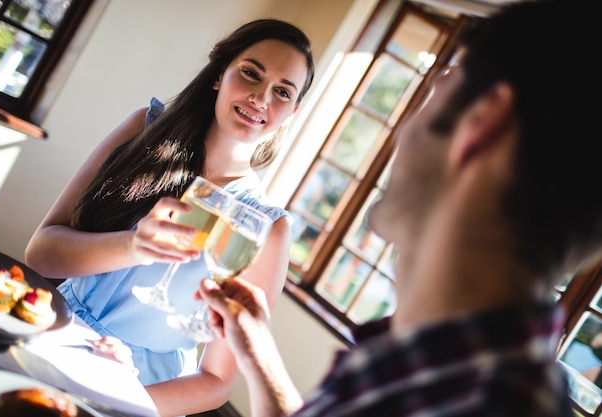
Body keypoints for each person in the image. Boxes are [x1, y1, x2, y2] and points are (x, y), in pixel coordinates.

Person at [197, 0, 602, 416]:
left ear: (480, 129)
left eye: (431, 99)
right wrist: (259, 354)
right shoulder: (455, 380)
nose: (397, 138)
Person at [24, 19, 315, 417]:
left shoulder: (268, 228)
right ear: (218, 75)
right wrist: (133, 246)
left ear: (292, 111)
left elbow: (216, 381)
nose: (261, 98)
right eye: (250, 73)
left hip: (135, 391)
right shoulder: (142, 129)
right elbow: (41, 254)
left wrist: (111, 397)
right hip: (47, 333)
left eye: (282, 92)